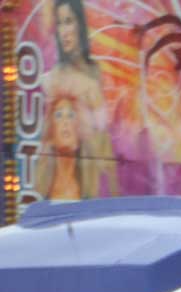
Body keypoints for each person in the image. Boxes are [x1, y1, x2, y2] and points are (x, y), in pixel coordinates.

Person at [40, 0, 118, 199]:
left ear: (80, 25)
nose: (63, 31)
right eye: (59, 23)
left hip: (90, 183)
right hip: (59, 183)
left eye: (69, 21)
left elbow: (103, 135)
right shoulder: (52, 79)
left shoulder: (94, 74)